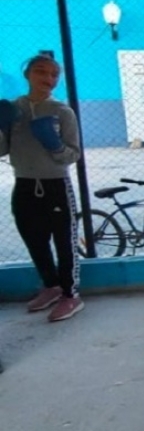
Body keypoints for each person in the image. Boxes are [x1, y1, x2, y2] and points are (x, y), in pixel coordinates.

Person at [0, 54, 84, 322]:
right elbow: (2, 150)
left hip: (56, 185)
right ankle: (51, 287)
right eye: (41, 72)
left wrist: (55, 146)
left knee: (64, 243)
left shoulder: (62, 112)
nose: (48, 79)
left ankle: (71, 295)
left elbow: (73, 154)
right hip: (23, 183)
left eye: (53, 74)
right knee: (34, 240)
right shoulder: (13, 109)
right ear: (28, 75)